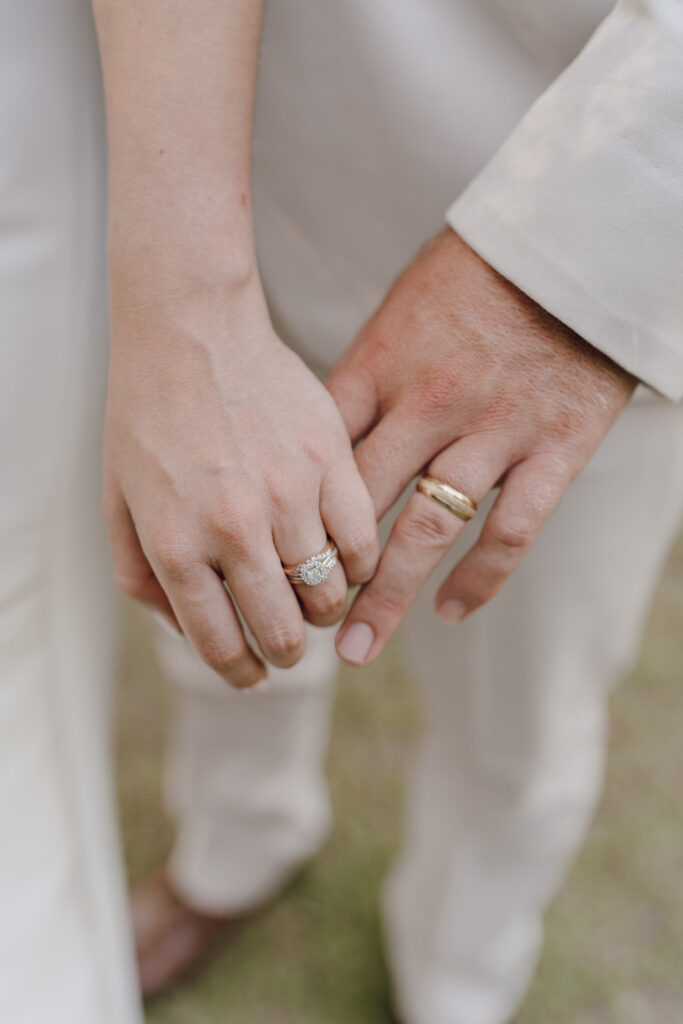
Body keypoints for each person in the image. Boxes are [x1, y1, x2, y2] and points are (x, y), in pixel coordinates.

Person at [2, 2, 683, 1024]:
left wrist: (594, 245)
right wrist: (190, 297)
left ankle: (461, 966)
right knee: (221, 596)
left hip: (602, 236)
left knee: (523, 708)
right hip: (226, 137)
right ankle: (239, 840)